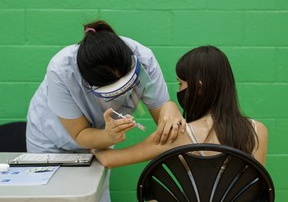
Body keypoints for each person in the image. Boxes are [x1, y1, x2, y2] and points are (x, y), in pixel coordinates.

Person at [26, 20, 185, 201]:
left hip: (102, 140)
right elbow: (80, 134)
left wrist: (170, 107)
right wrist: (108, 137)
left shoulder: (144, 58)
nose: (123, 95)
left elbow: (166, 124)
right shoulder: (61, 70)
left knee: (95, 193)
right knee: (51, 196)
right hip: (52, 139)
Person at [93, 45, 268, 169]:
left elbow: (109, 160)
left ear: (198, 87)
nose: (179, 90)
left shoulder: (177, 135)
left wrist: (92, 139)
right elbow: (255, 189)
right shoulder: (258, 131)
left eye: (180, 83)